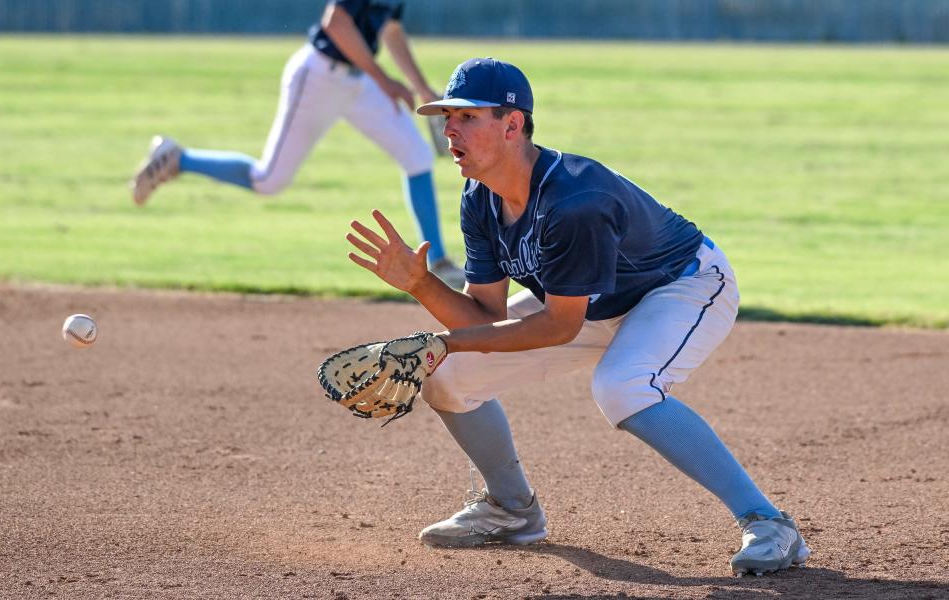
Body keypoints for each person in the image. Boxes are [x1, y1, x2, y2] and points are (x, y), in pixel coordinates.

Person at [345, 57, 810, 577]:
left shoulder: (575, 200)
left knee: (623, 386)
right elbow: (484, 315)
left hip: (681, 286)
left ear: (513, 124)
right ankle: (511, 511)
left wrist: (448, 342)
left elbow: (558, 328)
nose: (449, 128)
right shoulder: (481, 197)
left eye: (467, 117)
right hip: (586, 303)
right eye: (447, 117)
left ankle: (769, 523)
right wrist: (420, 285)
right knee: (448, 378)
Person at [129, 0, 464, 288]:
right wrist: (385, 80)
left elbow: (390, 29)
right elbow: (336, 23)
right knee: (268, 180)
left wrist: (420, 86)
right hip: (317, 77)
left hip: (356, 82)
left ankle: (437, 263)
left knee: (417, 156)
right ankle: (177, 158)